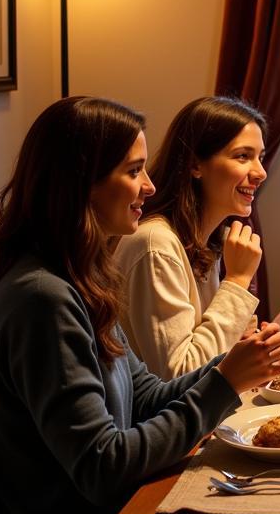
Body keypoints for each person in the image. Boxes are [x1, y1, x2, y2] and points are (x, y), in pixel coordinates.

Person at [0, 97, 280, 514]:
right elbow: (102, 466)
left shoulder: (77, 277)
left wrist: (235, 371)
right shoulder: (41, 300)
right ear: (79, 184)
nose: (150, 185)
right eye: (132, 170)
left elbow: (148, 395)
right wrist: (224, 383)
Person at [114, 96, 267, 378]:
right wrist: (237, 281)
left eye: (260, 157)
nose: (260, 172)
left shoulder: (204, 239)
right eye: (243, 156)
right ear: (195, 164)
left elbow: (202, 341)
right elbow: (180, 374)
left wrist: (245, 343)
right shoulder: (155, 246)